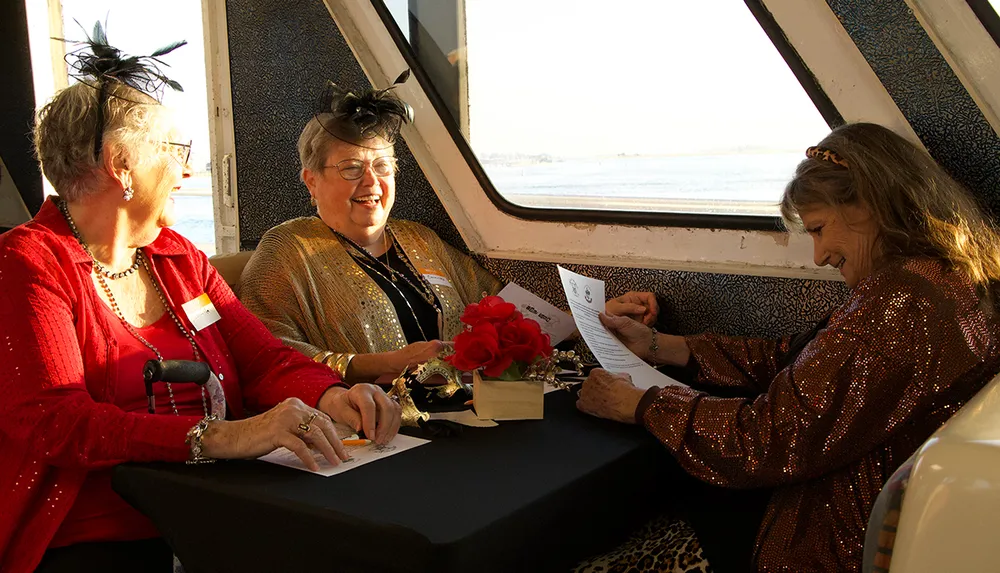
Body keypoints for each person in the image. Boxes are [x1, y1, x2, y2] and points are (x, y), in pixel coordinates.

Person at [0, 28, 400, 573]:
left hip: (217, 509)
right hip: (98, 534)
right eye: (176, 152)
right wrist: (229, 437)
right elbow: (56, 422)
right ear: (120, 165)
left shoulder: (177, 256)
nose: (187, 171)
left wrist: (331, 395)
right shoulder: (28, 263)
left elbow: (265, 361)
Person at [577, 122, 1000, 572]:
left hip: (823, 533)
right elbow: (798, 357)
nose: (818, 256)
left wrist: (642, 405)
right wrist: (661, 345)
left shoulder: (896, 305)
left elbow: (767, 441)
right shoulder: (946, 275)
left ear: (869, 204)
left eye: (819, 229)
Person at [239, 76, 501, 384]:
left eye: (382, 166)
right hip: (370, 422)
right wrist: (383, 364)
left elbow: (495, 302)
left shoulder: (420, 239)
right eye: (351, 168)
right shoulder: (288, 249)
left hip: (469, 408)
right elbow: (264, 351)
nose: (371, 182)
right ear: (312, 181)